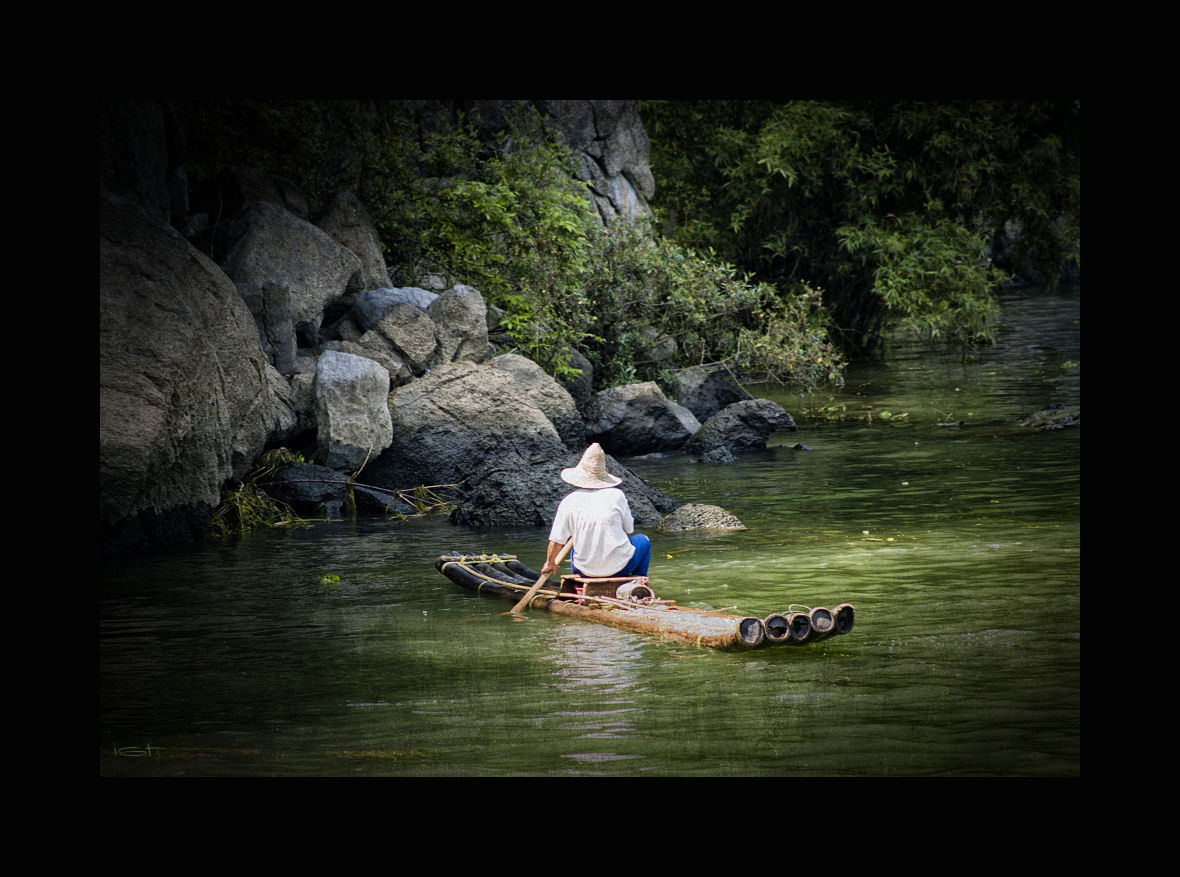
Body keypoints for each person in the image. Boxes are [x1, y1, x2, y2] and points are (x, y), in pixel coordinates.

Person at [540, 443, 651, 580]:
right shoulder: (617, 496)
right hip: (621, 568)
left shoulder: (569, 501)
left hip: (584, 571)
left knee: (575, 548)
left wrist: (549, 563)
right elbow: (629, 529)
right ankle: (639, 581)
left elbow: (556, 540)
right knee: (643, 540)